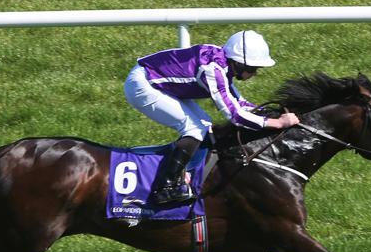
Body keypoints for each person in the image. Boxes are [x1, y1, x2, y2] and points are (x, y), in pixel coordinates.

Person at [123, 30, 300, 204]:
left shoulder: (223, 64)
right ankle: (166, 187)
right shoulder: (213, 69)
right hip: (142, 84)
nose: (255, 73)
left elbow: (240, 104)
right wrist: (276, 123)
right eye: (253, 68)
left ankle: (182, 173)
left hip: (153, 81)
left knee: (205, 125)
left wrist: (268, 114)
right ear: (238, 63)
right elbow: (236, 116)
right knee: (195, 128)